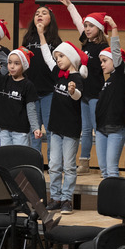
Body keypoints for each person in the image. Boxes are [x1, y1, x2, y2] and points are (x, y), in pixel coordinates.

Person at [57, 0, 109, 175]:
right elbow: (77, 22)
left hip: (96, 92)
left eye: (91, 26)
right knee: (85, 129)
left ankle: (104, 166)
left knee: (97, 128)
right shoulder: (86, 43)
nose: (86, 29)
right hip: (82, 92)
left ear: (100, 29)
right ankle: (84, 162)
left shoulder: (104, 46)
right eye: (86, 26)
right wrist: (70, 6)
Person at [38, 26, 87, 214]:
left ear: (71, 57)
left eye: (61, 57)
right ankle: (56, 197)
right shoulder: (57, 74)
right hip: (55, 128)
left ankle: (67, 199)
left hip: (70, 129)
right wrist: (42, 35)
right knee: (54, 165)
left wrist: (73, 91)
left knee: (68, 165)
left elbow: (78, 96)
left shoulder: (76, 77)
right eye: (57, 58)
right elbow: (46, 56)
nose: (58, 60)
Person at [21, 5, 61, 154]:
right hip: (32, 90)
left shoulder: (55, 40)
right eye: (37, 13)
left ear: (51, 19)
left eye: (44, 13)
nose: (39, 15)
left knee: (51, 129)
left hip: (49, 90)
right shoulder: (29, 38)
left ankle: (53, 163)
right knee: (34, 130)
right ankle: (35, 163)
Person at [94, 17, 125, 179]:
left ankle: (114, 204)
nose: (102, 64)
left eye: (104, 61)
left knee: (112, 169)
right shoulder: (108, 81)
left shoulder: (121, 75)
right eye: (101, 61)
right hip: (101, 129)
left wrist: (114, 27)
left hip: (116, 128)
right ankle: (106, 202)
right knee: (104, 170)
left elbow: (115, 49)